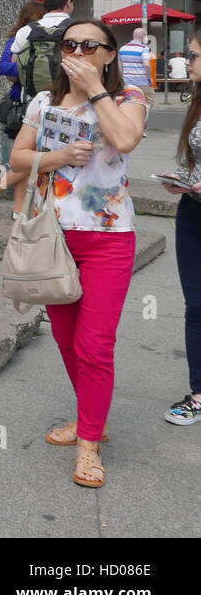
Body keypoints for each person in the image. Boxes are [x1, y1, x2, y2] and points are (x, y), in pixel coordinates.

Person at [9, 20, 149, 488]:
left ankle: (89, 445)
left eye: (90, 46)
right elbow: (18, 159)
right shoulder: (44, 101)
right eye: (70, 44)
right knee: (68, 343)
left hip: (108, 239)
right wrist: (56, 157)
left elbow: (126, 140)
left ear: (109, 55)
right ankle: (94, 418)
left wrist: (94, 91)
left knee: (95, 345)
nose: (78, 51)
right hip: (54, 237)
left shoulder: (130, 101)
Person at [160, 30, 201, 425]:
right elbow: (194, 157)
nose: (186, 61)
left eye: (192, 55)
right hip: (193, 211)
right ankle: (199, 393)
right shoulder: (198, 102)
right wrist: (181, 178)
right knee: (197, 305)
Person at [0, 0, 45, 219]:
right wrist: (28, 65)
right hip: (24, 106)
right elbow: (4, 68)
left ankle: (18, 210)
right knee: (31, 158)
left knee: (29, 159)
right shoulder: (17, 38)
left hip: (31, 103)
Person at [118, 27, 155, 107]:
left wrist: (123, 80)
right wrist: (150, 78)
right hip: (142, 83)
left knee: (130, 104)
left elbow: (120, 68)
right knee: (148, 104)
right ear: (144, 37)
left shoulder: (122, 48)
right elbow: (146, 65)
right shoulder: (144, 49)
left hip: (127, 83)